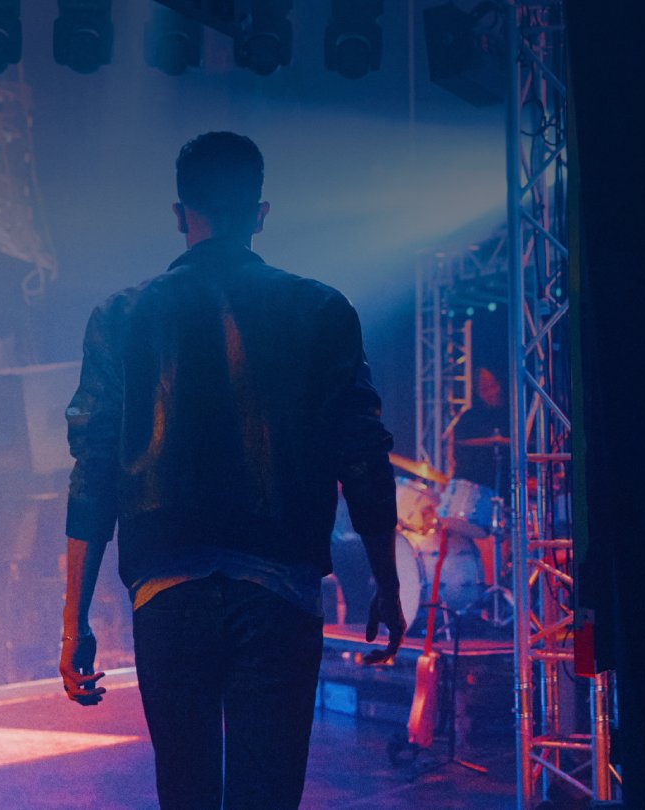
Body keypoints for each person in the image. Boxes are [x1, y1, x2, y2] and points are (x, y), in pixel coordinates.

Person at [58, 131, 407, 809]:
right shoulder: (321, 310)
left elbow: (93, 472)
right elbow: (363, 456)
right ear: (261, 214)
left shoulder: (121, 316)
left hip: (167, 590)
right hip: (280, 589)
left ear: (178, 213)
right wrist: (387, 584)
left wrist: (75, 622)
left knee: (184, 793)